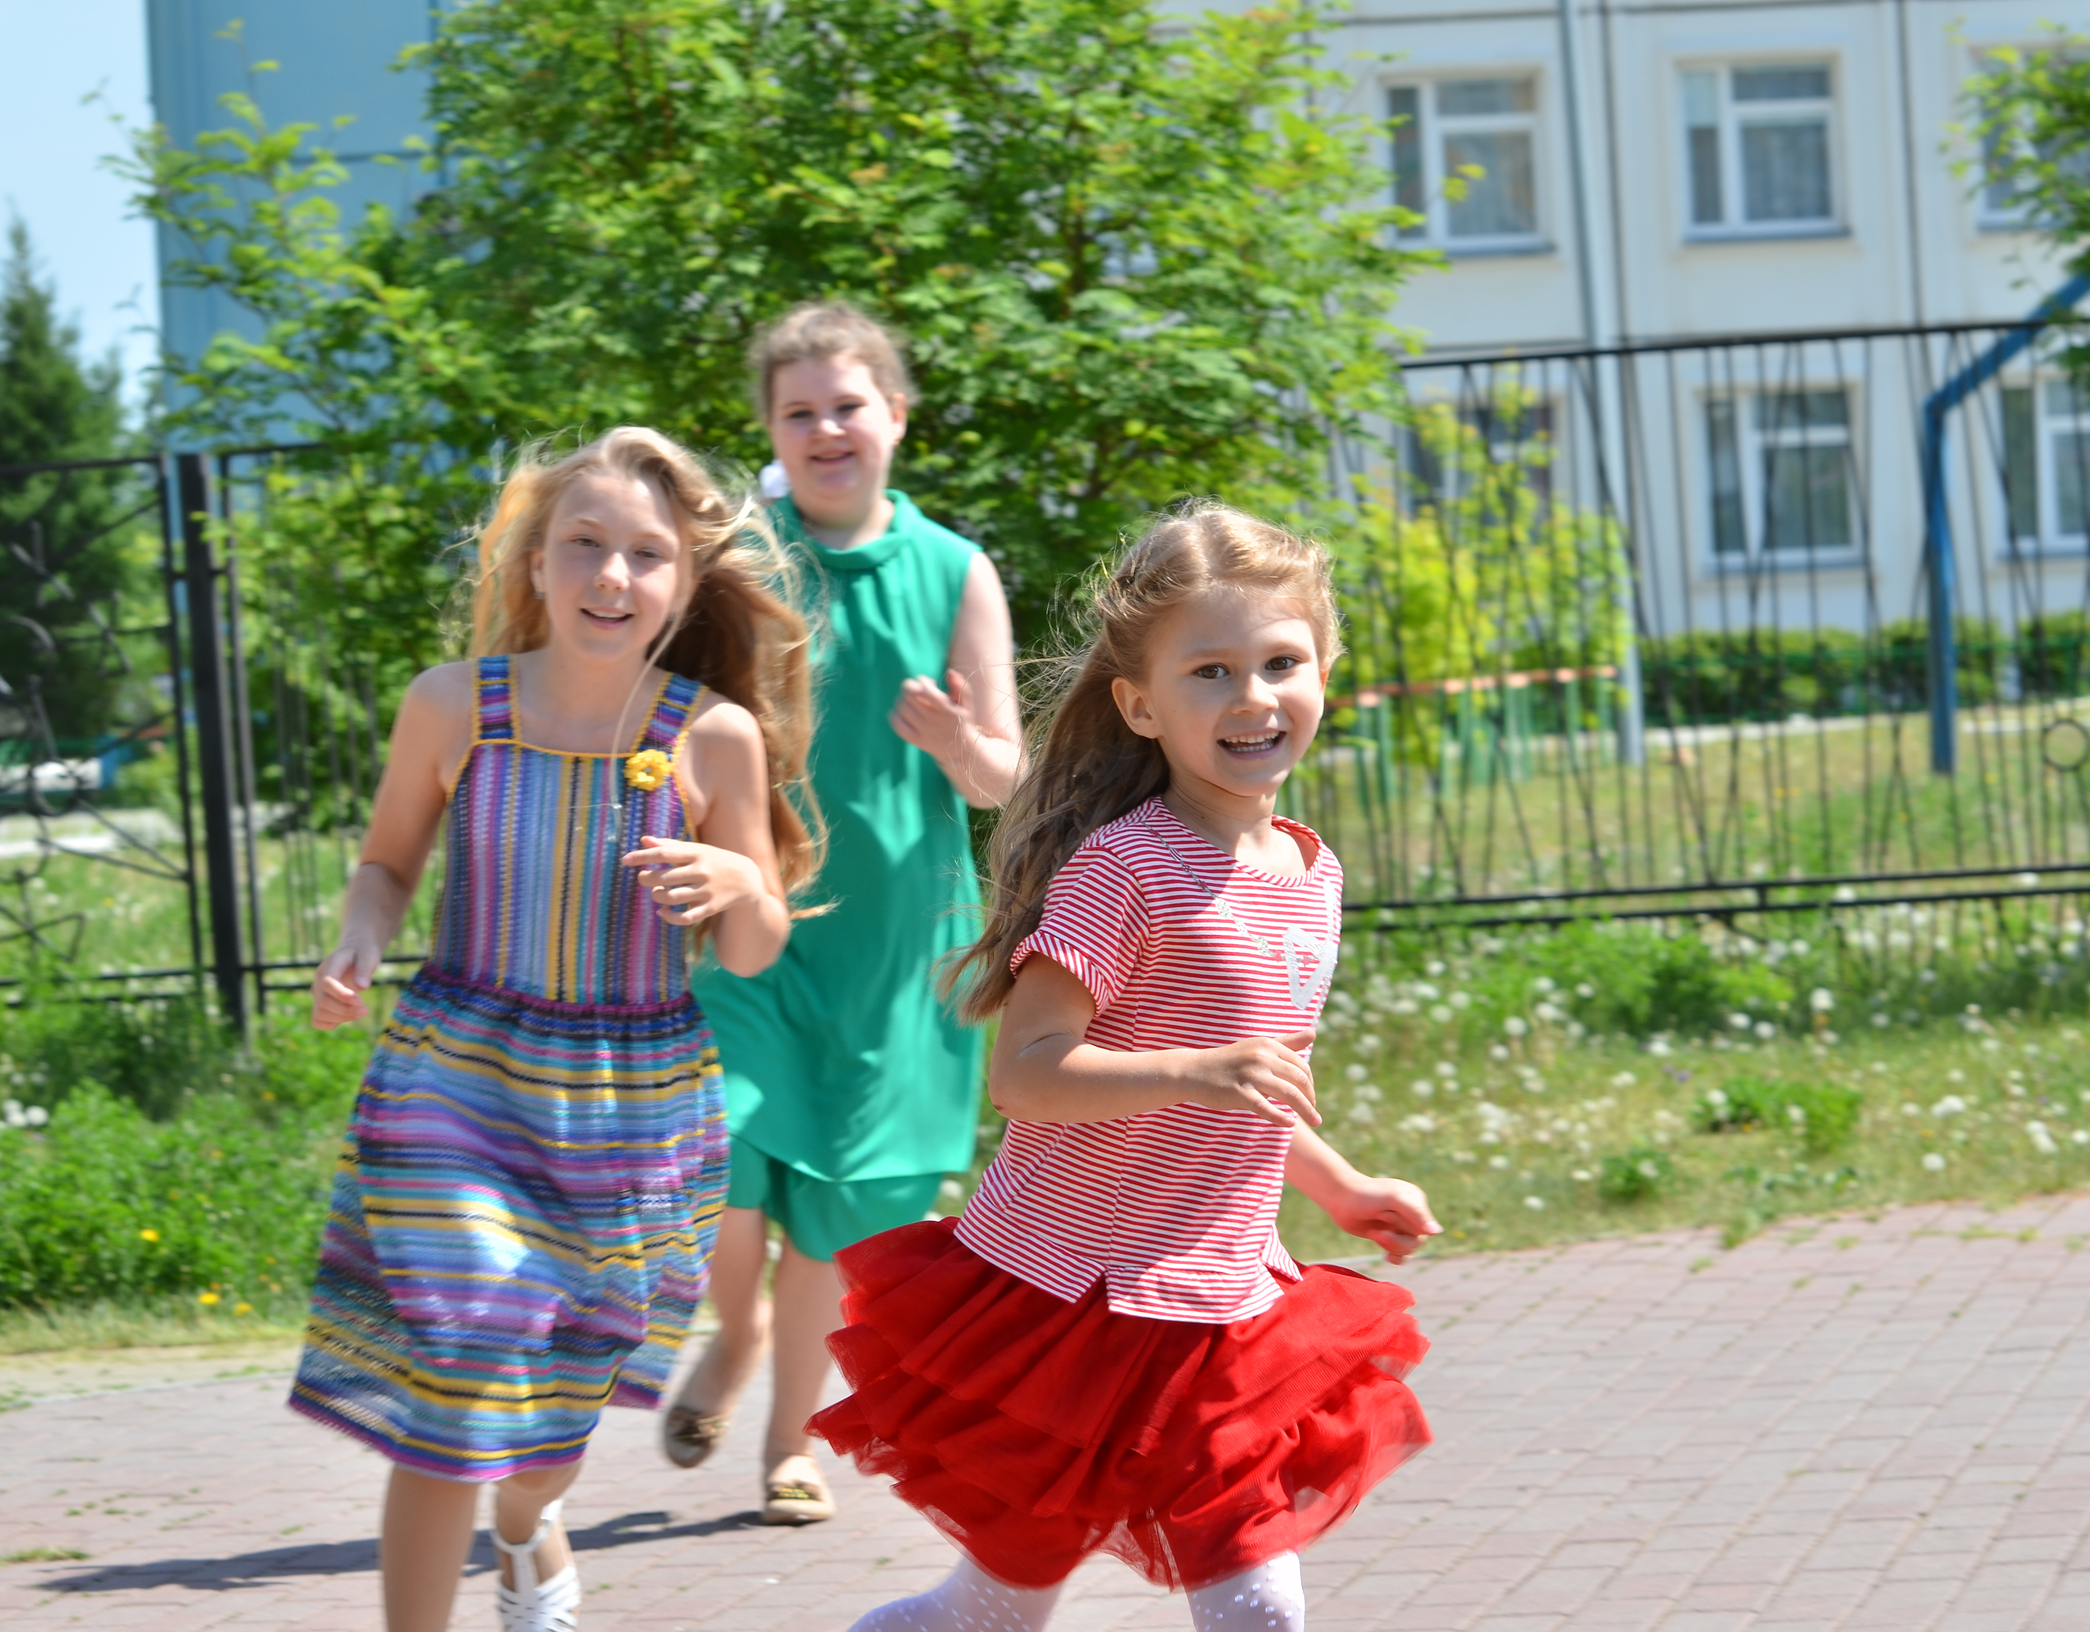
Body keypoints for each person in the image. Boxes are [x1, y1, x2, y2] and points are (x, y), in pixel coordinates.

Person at [812, 502, 1441, 1632]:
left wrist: (1339, 1186)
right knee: (993, 1614)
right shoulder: (1125, 868)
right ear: (1142, 705)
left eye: (1279, 662)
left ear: (1324, 673)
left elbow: (1253, 1092)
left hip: (1223, 1309)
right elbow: (1028, 1074)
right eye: (1210, 672)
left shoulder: (1309, 874)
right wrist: (1192, 1071)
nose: (1251, 698)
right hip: (1072, 1301)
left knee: (1260, 1612)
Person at [291, 428, 818, 1632]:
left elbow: (754, 943)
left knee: (550, 1423)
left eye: (646, 554)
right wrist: (360, 937)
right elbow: (384, 865)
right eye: (583, 544)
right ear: (534, 563)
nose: (611, 575)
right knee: (453, 1388)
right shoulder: (452, 707)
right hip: (458, 1079)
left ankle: (528, 1528)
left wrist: (743, 889)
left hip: (630, 1108)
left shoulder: (711, 737)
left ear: (681, 586)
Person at [663, 303, 1023, 1525]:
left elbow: (1007, 782)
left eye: (847, 405)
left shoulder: (955, 570)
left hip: (898, 948)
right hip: (755, 920)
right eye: (797, 411)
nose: (825, 429)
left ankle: (785, 1446)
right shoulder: (742, 564)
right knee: (720, 1151)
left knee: (836, 1214)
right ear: (770, 429)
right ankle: (734, 1331)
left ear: (896, 417)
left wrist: (961, 741)